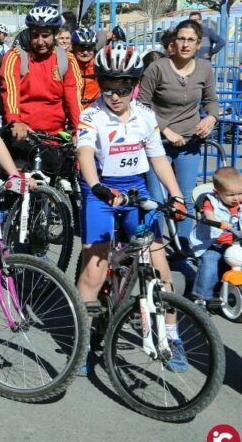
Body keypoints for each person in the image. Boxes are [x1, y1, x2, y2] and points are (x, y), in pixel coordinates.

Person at [75, 45, 188, 374]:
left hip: (135, 191)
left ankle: (171, 335)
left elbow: (158, 159)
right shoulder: (91, 115)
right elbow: (84, 153)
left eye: (123, 88)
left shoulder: (145, 116)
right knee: (94, 271)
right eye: (107, 87)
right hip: (101, 192)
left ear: (135, 85)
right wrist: (96, 185)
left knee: (160, 268)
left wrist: (177, 195)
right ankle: (82, 340)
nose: (114, 95)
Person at [137, 19, 219, 242]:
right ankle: (155, 249)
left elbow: (211, 100)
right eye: (181, 38)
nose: (185, 44)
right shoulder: (158, 68)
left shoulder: (204, 68)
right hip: (158, 144)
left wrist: (211, 117)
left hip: (190, 144)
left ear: (198, 43)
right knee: (157, 198)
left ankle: (184, 248)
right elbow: (141, 105)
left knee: (186, 198)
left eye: (190, 40)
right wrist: (165, 130)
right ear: (174, 41)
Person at [0, 0, 83, 166]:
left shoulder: (66, 60)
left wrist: (78, 130)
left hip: (56, 137)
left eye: (45, 36)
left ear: (55, 34)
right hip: (22, 135)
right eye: (35, 35)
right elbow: (9, 90)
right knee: (19, 185)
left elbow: (74, 98)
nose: (40, 41)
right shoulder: (15, 57)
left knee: (69, 181)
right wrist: (15, 121)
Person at [190, 167, 242, 307]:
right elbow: (208, 214)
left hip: (236, 243)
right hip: (213, 244)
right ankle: (201, 297)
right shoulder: (211, 201)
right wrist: (217, 222)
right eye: (231, 195)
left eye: (239, 193)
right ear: (217, 193)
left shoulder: (240, 203)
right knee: (210, 266)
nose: (236, 198)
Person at [71, 26, 100, 109]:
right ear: (74, 47)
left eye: (90, 48)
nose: (85, 52)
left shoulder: (99, 65)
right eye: (81, 48)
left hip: (93, 112)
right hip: (71, 111)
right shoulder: (67, 63)